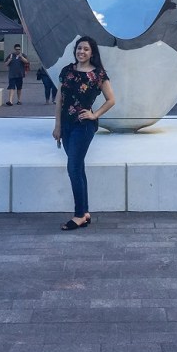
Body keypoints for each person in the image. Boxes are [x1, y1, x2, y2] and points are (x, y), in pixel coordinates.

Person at [53, 36, 115, 230]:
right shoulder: (67, 71)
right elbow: (59, 100)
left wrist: (94, 114)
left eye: (86, 49)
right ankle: (85, 212)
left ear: (92, 53)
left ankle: (79, 214)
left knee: (73, 168)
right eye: (79, 48)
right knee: (78, 168)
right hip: (67, 126)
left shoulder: (98, 75)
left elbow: (111, 99)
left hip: (84, 126)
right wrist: (57, 126)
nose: (82, 52)